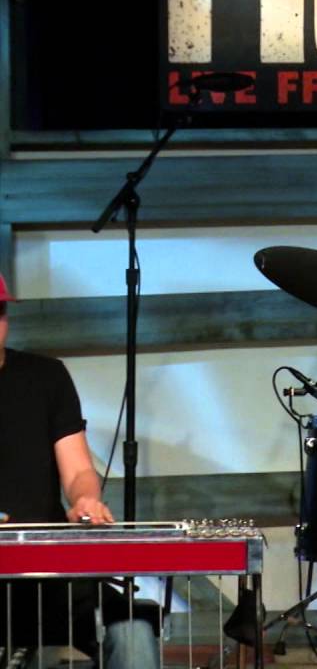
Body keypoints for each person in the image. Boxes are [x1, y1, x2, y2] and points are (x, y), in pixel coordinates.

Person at [0, 272, 160, 669]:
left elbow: (77, 471)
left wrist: (86, 498)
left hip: (47, 570)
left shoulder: (46, 376)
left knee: (133, 631)